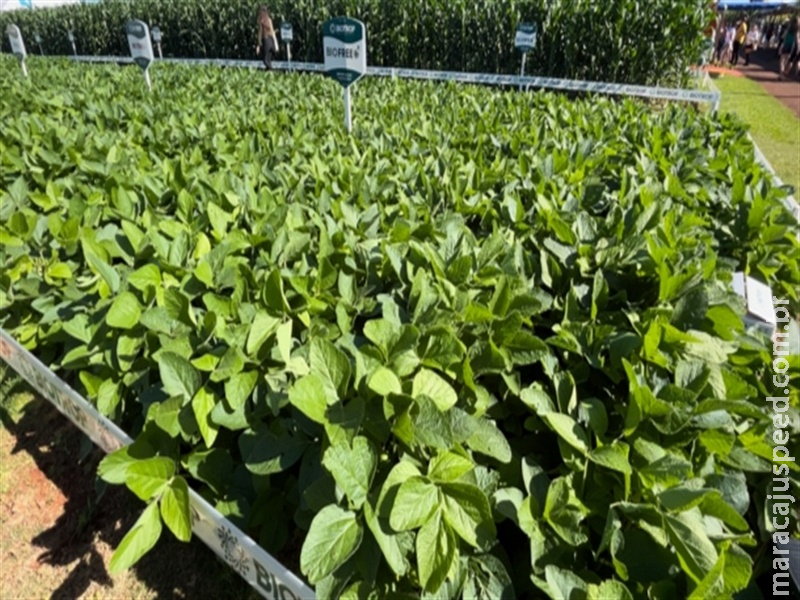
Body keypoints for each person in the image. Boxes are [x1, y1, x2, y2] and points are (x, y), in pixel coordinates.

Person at [255, 6, 278, 70]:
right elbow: (260, 32)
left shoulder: (268, 20)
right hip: (265, 40)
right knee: (266, 60)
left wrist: (275, 43)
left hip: (268, 40)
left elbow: (272, 31)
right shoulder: (261, 20)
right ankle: (270, 73)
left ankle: (272, 71)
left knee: (266, 60)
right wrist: (259, 44)